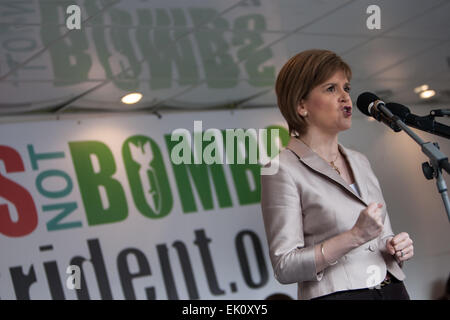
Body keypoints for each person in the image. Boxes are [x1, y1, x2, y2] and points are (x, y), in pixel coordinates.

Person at [260, 49, 414, 300]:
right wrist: (353, 237)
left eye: (347, 88)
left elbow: (379, 236)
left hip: (393, 290)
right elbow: (284, 266)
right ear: (301, 105)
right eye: (331, 88)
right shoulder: (281, 168)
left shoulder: (360, 161)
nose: (345, 97)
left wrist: (395, 246)